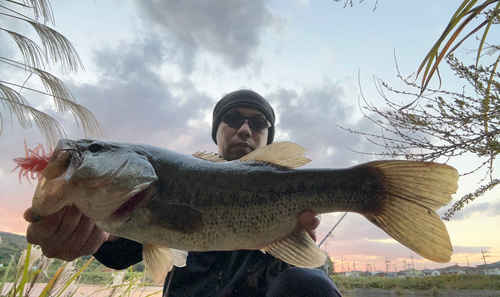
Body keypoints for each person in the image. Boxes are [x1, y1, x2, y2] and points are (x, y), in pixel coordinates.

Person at [23, 89, 342, 296]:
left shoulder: (288, 192)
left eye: (258, 123)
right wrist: (97, 233)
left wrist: (292, 249)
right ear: (217, 131)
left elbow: (302, 273)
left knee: (309, 283)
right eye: (232, 119)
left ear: (269, 140)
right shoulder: (167, 181)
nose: (245, 129)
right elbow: (120, 252)